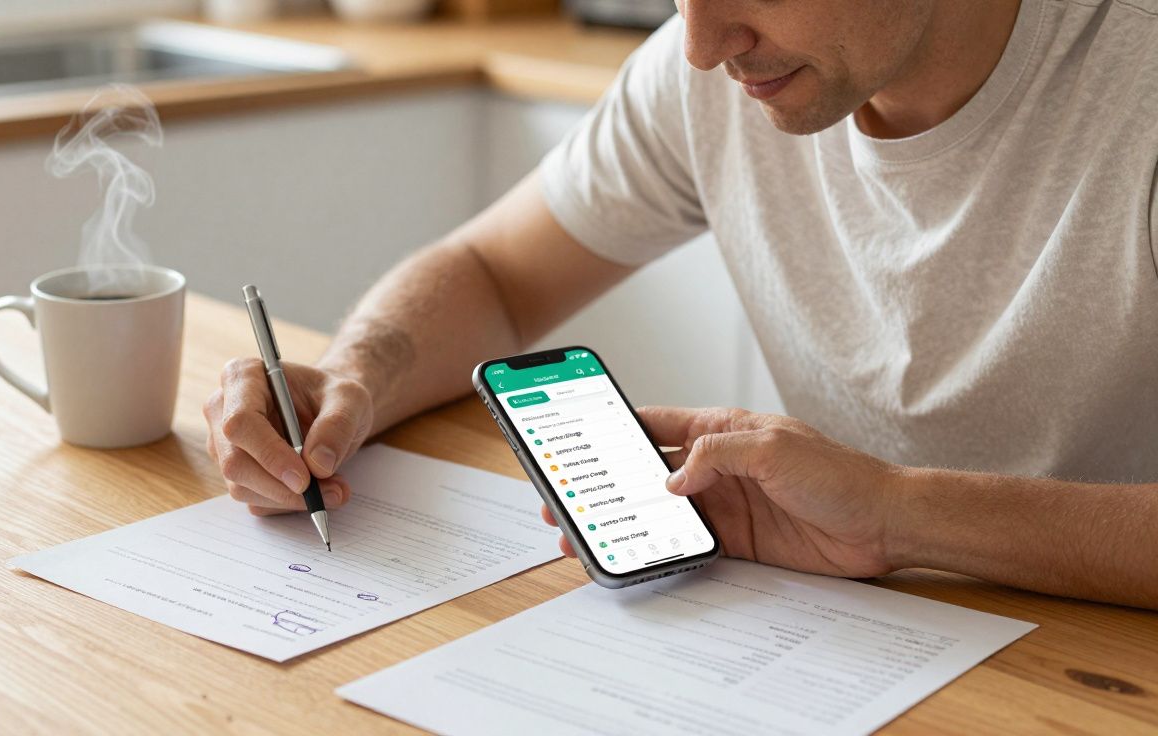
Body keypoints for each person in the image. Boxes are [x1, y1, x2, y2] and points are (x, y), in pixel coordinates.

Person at [203, 0, 1158, 610]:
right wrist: (353, 382)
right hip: (839, 646)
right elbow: (496, 271)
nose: (702, 45)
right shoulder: (713, 72)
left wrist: (898, 515)